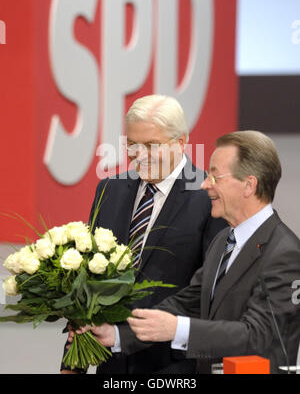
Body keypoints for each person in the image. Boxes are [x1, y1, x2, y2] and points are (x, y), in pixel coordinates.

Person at [80, 130, 300, 374]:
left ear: (249, 185)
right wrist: (118, 335)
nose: (205, 184)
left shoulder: (285, 253)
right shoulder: (223, 241)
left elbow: (261, 335)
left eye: (215, 177)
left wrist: (178, 329)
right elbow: (187, 303)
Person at [61, 94, 227, 374]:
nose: (140, 155)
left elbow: (209, 294)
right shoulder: (110, 190)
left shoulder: (208, 197)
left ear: (181, 141)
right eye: (132, 144)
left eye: (152, 145)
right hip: (110, 364)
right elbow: (87, 283)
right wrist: (72, 366)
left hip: (173, 367)